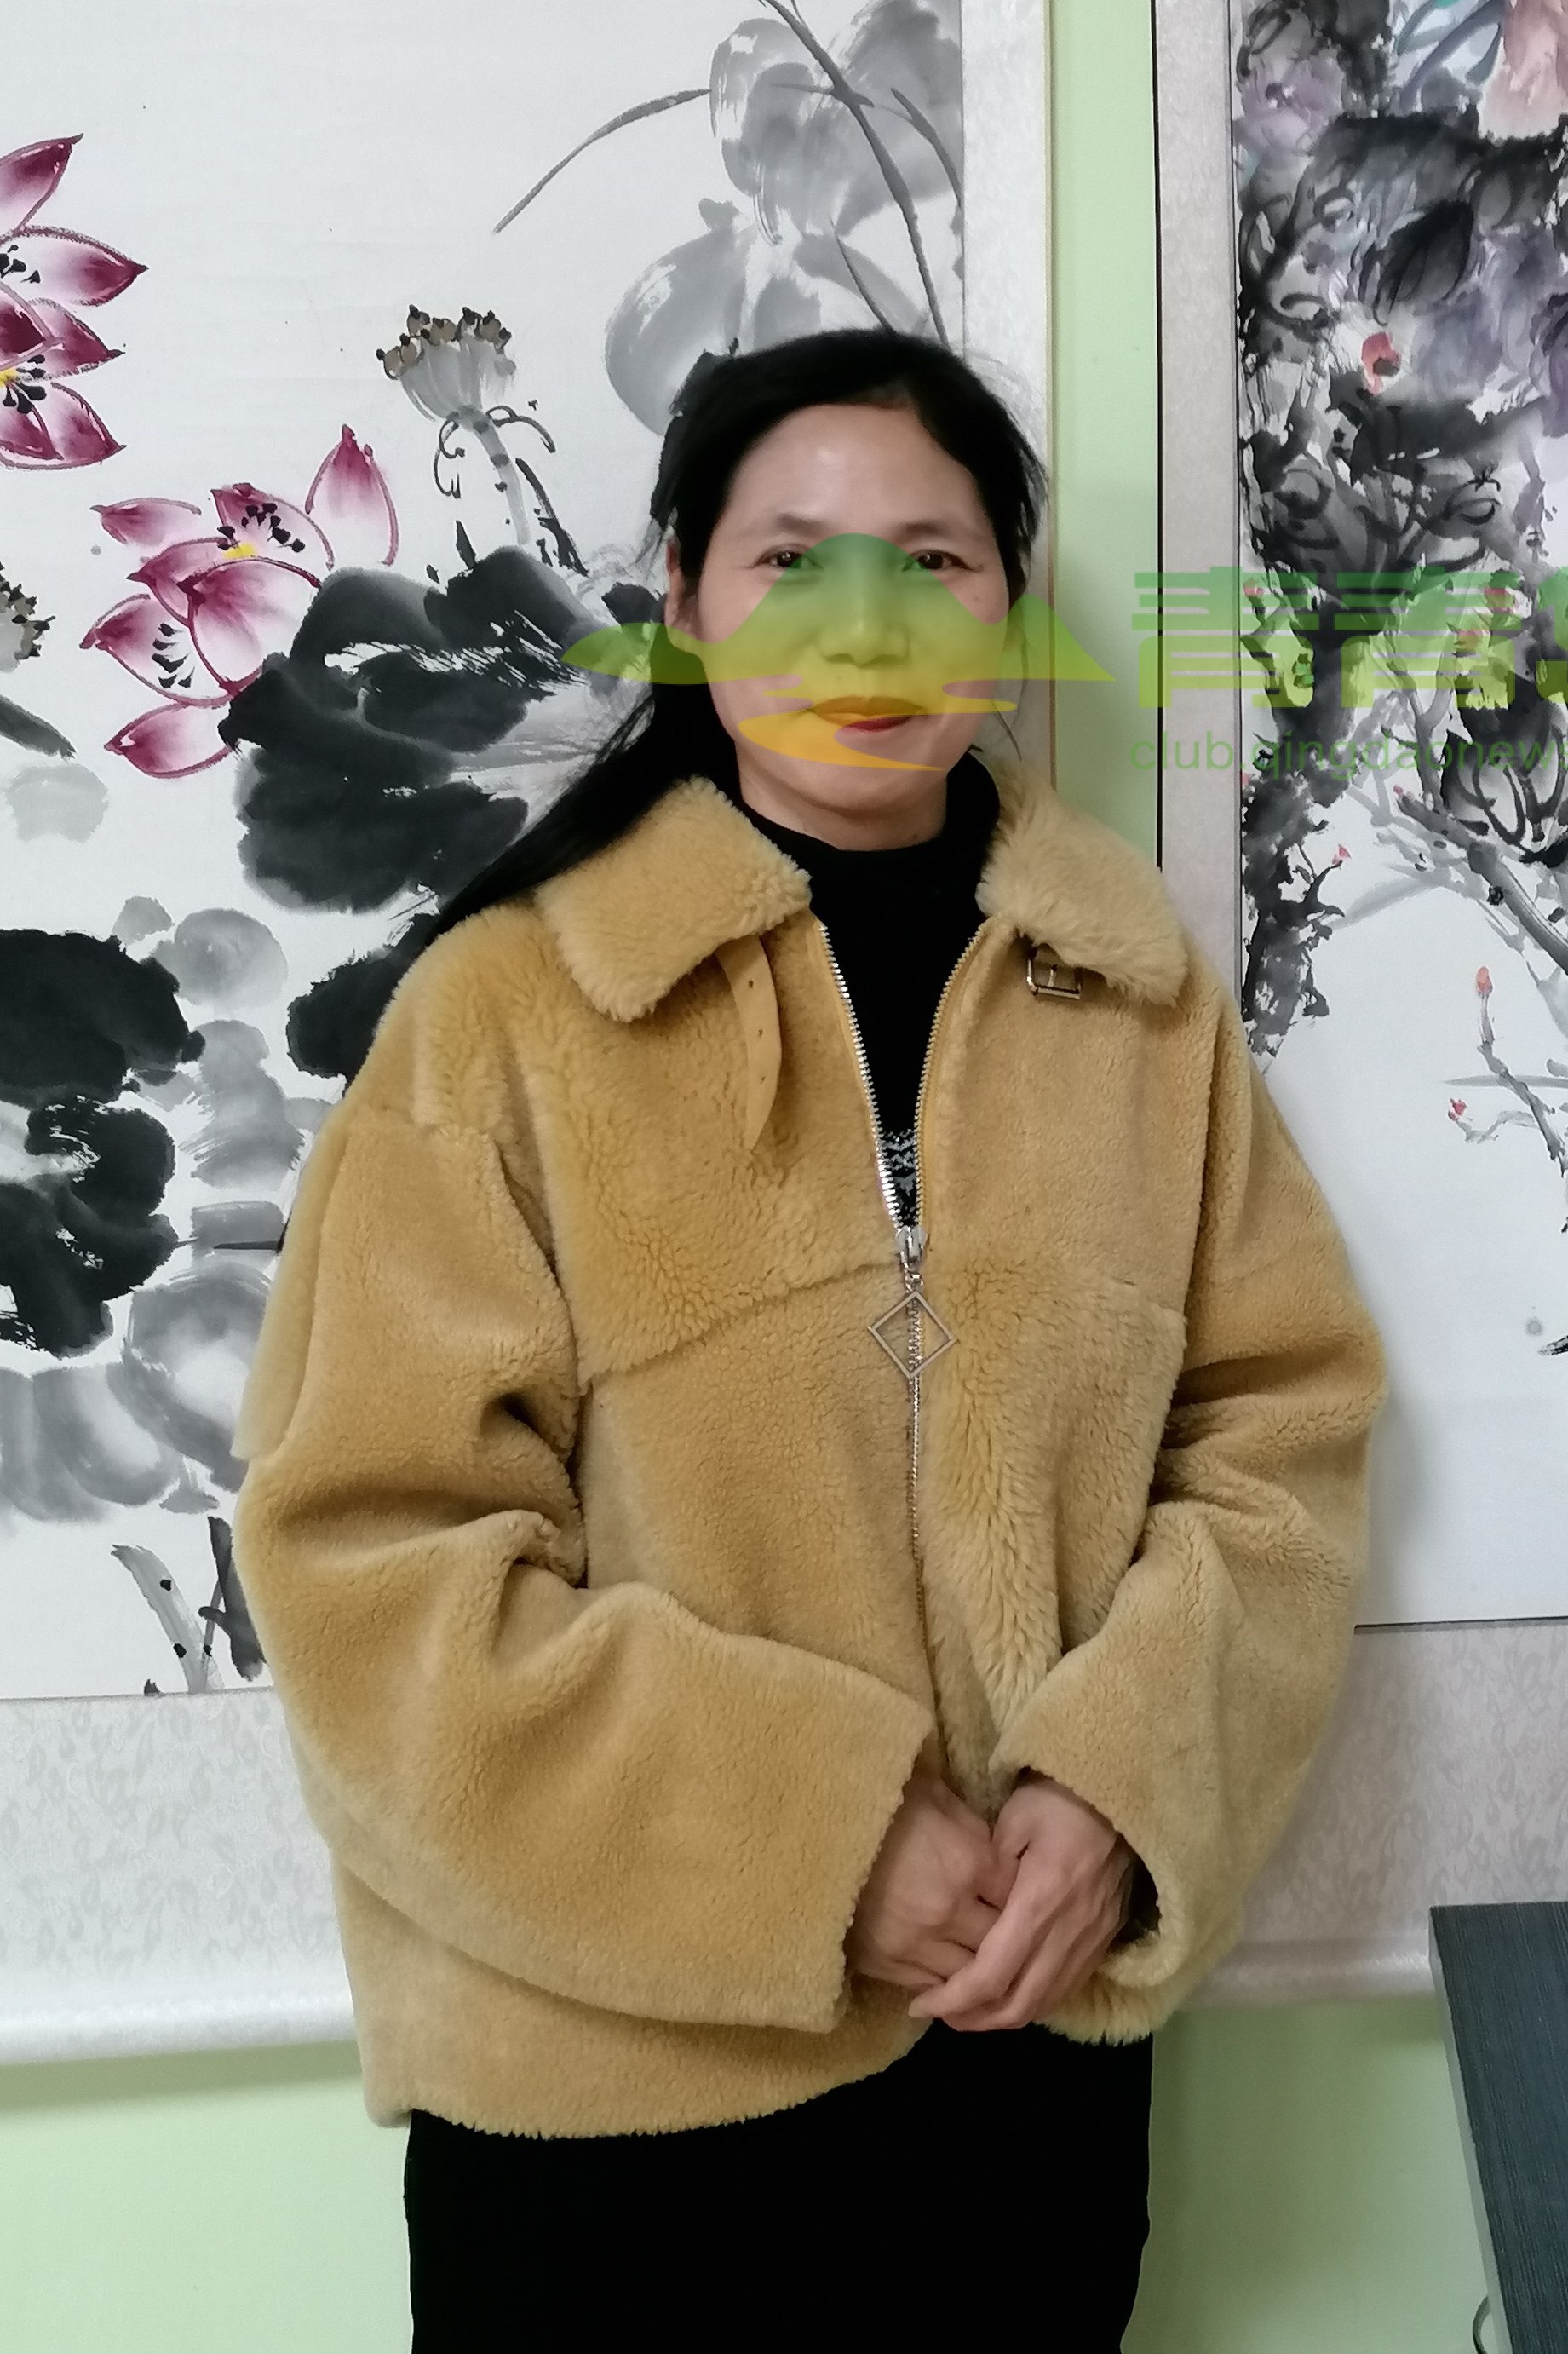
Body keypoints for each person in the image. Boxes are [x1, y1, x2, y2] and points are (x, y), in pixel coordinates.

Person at [233, 330, 1384, 2350]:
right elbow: (371, 1562)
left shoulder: (1135, 999)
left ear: (1005, 609)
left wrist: (1120, 1788)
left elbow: (1277, 1442)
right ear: (684, 603)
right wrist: (816, 1831)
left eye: (934, 560)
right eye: (791, 561)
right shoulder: (506, 1009)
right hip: (605, 2122)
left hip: (1018, 2086)